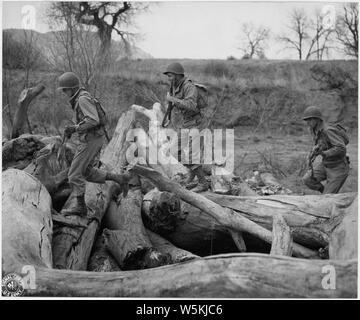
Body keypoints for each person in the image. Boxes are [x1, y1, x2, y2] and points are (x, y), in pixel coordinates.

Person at [57, 72, 131, 216]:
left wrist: (75, 128)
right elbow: (89, 120)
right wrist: (74, 128)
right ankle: (119, 178)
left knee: (73, 175)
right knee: (87, 173)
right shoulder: (82, 96)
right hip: (92, 139)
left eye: (65, 90)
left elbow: (93, 120)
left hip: (90, 140)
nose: (64, 93)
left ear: (72, 88)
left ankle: (80, 207)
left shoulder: (82, 99)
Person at [163, 62, 208, 193]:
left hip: (197, 123)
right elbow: (173, 105)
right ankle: (193, 174)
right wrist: (168, 118)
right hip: (186, 123)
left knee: (193, 154)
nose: (169, 78)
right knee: (174, 151)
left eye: (171, 76)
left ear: (178, 75)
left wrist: (172, 99)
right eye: (168, 76)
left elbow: (191, 105)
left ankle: (202, 182)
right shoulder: (174, 86)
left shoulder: (189, 86)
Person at [302, 105, 350, 194]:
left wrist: (324, 153)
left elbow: (341, 148)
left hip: (338, 168)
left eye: (310, 120)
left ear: (317, 119)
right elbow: (321, 144)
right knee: (307, 179)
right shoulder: (314, 130)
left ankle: (328, 195)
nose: (307, 122)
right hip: (326, 164)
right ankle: (325, 192)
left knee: (327, 197)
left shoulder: (328, 130)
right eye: (306, 120)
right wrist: (314, 151)